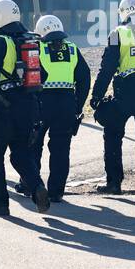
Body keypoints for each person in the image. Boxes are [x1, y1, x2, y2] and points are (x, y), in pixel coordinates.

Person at [0, 0, 50, 216]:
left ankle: (0, 203)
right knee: (21, 154)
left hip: (2, 110)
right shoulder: (29, 40)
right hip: (28, 107)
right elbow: (42, 75)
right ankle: (37, 188)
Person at [90, 0, 135, 201]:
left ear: (122, 12)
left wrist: (96, 96)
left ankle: (114, 183)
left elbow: (106, 69)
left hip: (126, 93)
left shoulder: (117, 33)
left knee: (112, 135)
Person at [32, 14, 91, 202]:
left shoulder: (36, 48)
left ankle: (32, 185)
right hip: (66, 102)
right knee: (61, 149)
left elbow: (32, 78)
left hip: (42, 102)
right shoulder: (73, 49)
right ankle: (56, 191)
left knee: (33, 144)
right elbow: (85, 78)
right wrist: (77, 106)